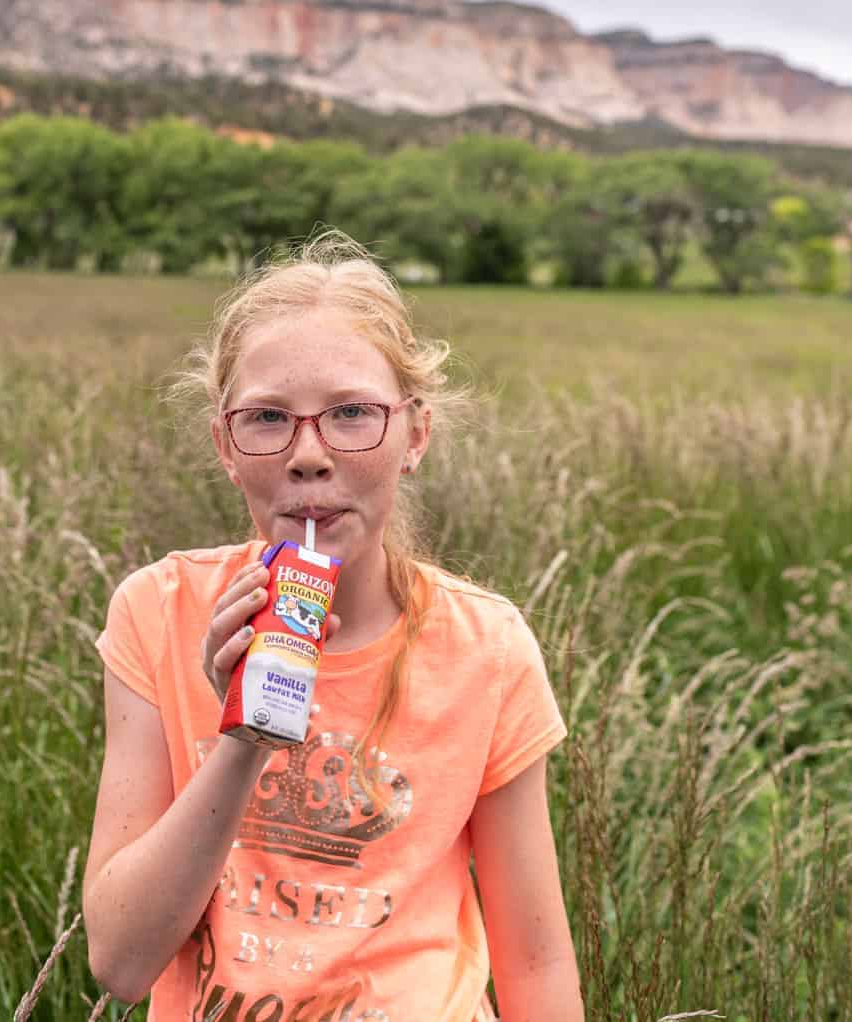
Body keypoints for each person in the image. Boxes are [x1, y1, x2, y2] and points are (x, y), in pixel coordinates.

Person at [83, 234, 584, 1022]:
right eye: (267, 418)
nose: (309, 455)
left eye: (352, 413)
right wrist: (244, 734)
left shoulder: (487, 649)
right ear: (226, 445)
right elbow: (119, 960)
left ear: (414, 435)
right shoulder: (158, 610)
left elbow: (536, 957)